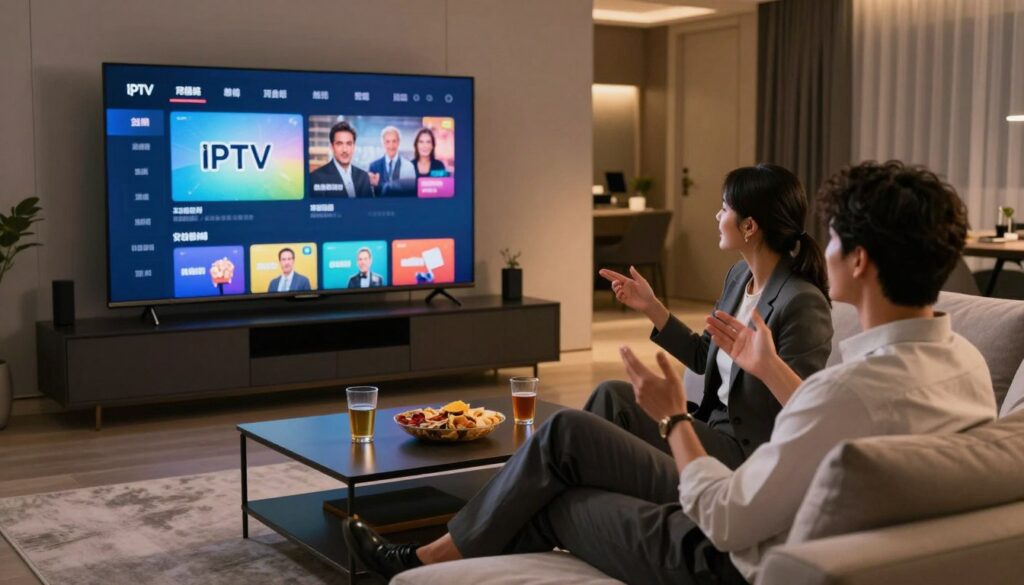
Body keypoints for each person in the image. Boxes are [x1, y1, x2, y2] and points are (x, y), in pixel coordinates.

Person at [341, 160, 998, 585]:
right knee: (582, 426)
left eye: (832, 240)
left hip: (723, 551)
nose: (820, 250)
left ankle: (427, 561)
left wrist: (674, 416)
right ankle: (460, 545)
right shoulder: (965, 364)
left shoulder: (837, 376)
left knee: (563, 460)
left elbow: (729, 517)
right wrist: (662, 316)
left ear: (857, 261)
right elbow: (738, 377)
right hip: (773, 510)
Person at [589, 164, 833, 469]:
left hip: (747, 451)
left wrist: (766, 366)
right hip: (710, 426)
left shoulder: (801, 302)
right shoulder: (739, 276)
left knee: (614, 399)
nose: (718, 217)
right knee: (608, 400)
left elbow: (806, 408)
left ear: (749, 226)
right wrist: (651, 306)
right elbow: (703, 355)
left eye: (724, 208)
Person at [310, 121, 373, 198]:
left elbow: (370, 208)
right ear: (332, 147)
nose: (345, 150)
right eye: (339, 144)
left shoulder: (363, 176)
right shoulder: (316, 178)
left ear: (353, 147)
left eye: (349, 144)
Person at [368, 126, 416, 197]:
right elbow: (369, 195)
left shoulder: (408, 166)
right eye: (387, 142)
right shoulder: (374, 166)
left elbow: (412, 193)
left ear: (398, 142)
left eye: (394, 141)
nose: (391, 145)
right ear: (383, 143)